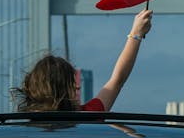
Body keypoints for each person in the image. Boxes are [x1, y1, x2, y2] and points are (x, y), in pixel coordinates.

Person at [13, 8, 152, 112]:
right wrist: (136, 34)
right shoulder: (87, 117)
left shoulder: (16, 134)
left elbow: (117, 81)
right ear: (62, 88)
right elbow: (117, 80)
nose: (77, 87)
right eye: (72, 83)